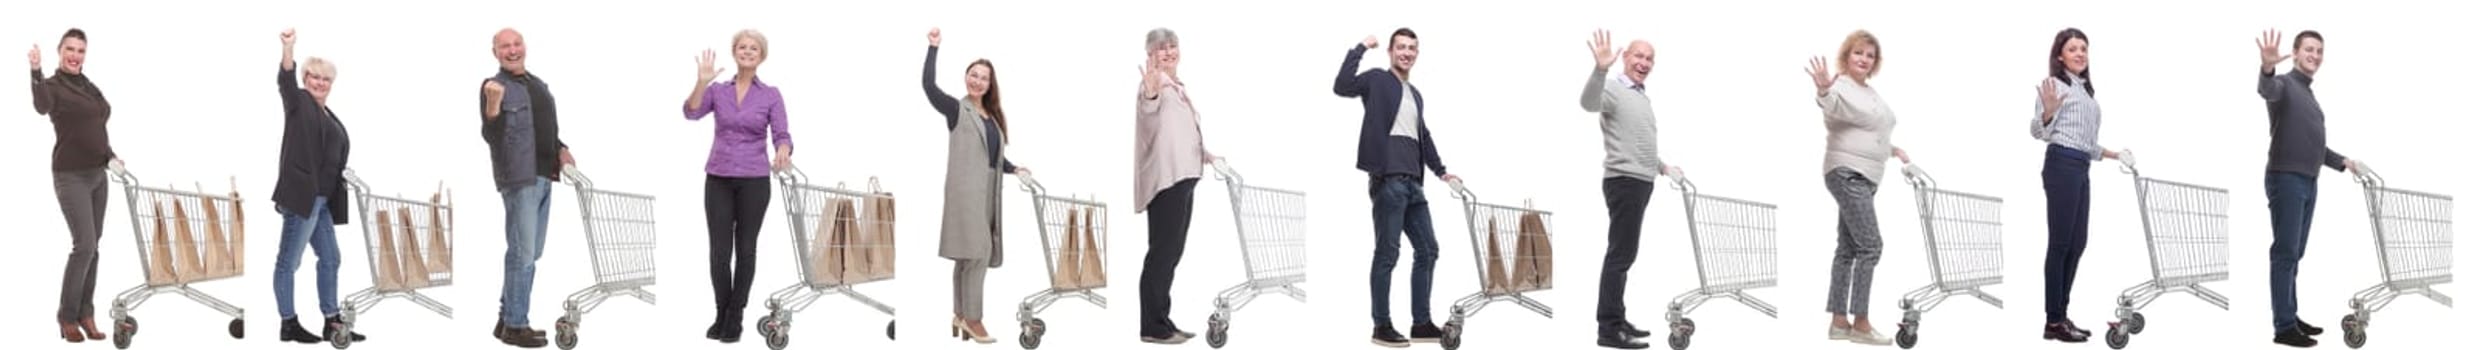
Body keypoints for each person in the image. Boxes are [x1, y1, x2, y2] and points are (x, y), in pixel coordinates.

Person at [1333, 27, 1460, 348]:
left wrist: (1442, 172)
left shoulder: (1415, 94)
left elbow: (1423, 135)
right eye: (1401, 47)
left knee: (1429, 249)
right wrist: (1360, 47)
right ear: (1391, 51)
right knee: (1388, 253)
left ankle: (1420, 324)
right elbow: (1341, 86)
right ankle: (1382, 325)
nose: (1407, 52)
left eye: (1412, 48)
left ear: (1417, 54)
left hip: (1414, 184)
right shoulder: (1377, 80)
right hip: (1388, 180)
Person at [681, 29, 793, 344]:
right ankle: (721, 312)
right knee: (719, 252)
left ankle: (736, 316)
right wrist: (702, 81)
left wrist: (783, 148)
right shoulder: (718, 90)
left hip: (755, 181)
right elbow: (690, 112)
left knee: (745, 250)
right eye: (742, 47)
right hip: (718, 177)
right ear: (735, 52)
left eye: (753, 47)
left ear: (762, 55)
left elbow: (782, 133)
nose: (747, 51)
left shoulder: (771, 94)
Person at [924, 27, 1031, 345]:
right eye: (973, 75)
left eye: (983, 77)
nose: (977, 81)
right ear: (966, 77)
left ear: (990, 84)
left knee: (968, 257)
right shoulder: (957, 109)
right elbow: (928, 86)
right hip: (966, 192)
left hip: (989, 192)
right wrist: (933, 48)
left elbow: (993, 155)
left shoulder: (992, 116)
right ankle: (973, 319)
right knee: (978, 253)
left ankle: (959, 313)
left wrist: (1013, 168)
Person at [1805, 29, 1908, 347]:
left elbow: (1869, 130)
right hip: (1847, 173)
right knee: (1871, 246)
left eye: (1870, 55)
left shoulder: (1870, 92)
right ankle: (1861, 323)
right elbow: (1831, 105)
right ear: (1846, 56)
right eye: (1858, 53)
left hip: (1867, 175)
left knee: (1848, 249)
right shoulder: (1839, 86)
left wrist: (1892, 150)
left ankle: (1839, 322)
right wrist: (1823, 90)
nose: (1864, 59)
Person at [1578, 29, 1679, 350]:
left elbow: (1639, 143)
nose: (1644, 62)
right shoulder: (1612, 88)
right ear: (1625, 57)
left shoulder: (1639, 96)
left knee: (1625, 254)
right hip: (1624, 181)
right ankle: (1608, 329)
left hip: (1641, 181)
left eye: (1650, 58)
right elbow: (1588, 103)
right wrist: (1600, 68)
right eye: (1638, 55)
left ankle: (1617, 319)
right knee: (1620, 255)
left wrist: (1662, 167)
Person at [2255, 28, 2353, 348]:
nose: (2315, 55)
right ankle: (2283, 327)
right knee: (2285, 253)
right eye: (2309, 49)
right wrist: (2267, 67)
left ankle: (2290, 314)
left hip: (2308, 180)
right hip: (2286, 178)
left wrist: (2343, 161)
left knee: (2295, 253)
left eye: (2319, 51)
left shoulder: (2308, 94)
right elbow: (2267, 88)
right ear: (2295, 53)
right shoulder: (2284, 84)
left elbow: (2313, 146)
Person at [270, 28, 367, 345]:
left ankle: (331, 321)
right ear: (305, 78)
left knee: (331, 259)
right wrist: (288, 48)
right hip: (302, 198)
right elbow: (285, 81)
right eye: (313, 77)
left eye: (325, 79)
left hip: (324, 200)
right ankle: (289, 323)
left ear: (331, 84)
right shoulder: (298, 102)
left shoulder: (328, 114)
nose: (319, 83)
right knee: (288, 262)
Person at [2029, 27, 2124, 344]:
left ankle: (2061, 315)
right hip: (2061, 166)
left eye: (2084, 48)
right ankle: (2053, 320)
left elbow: (2086, 143)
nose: (2080, 53)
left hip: (2080, 167)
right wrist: (2048, 112)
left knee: (2077, 243)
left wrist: (2115, 154)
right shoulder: (2054, 86)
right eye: (2073, 49)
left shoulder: (2085, 90)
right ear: (2060, 55)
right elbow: (2038, 132)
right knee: (2059, 244)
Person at [479, 27, 569, 349]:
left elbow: (545, 128)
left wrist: (561, 148)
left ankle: (506, 318)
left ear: (524, 47)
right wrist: (492, 105)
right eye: (505, 46)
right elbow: (491, 134)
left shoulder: (538, 85)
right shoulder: (494, 86)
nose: (512, 50)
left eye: (516, 44)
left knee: (531, 252)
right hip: (520, 178)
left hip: (545, 176)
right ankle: (517, 325)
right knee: (523, 253)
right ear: (496, 53)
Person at [32, 27, 118, 345]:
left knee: (94, 247)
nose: (75, 55)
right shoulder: (52, 87)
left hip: (99, 174)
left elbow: (97, 125)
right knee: (84, 244)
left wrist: (110, 156)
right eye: (70, 49)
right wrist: (35, 71)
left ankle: (86, 313)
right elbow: (41, 105)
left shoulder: (88, 85)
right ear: (60, 51)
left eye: (80, 50)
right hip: (71, 176)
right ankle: (67, 317)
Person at [1132, 27, 1213, 345]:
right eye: (1160, 49)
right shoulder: (1153, 84)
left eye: (1172, 46)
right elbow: (1149, 110)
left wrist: (1205, 153)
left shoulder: (1177, 86)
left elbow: (1177, 134)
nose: (1168, 52)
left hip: (1186, 177)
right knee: (1162, 253)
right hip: (1167, 181)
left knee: (1172, 253)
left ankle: (1162, 320)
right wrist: (1151, 91)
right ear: (1150, 55)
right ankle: (1152, 327)